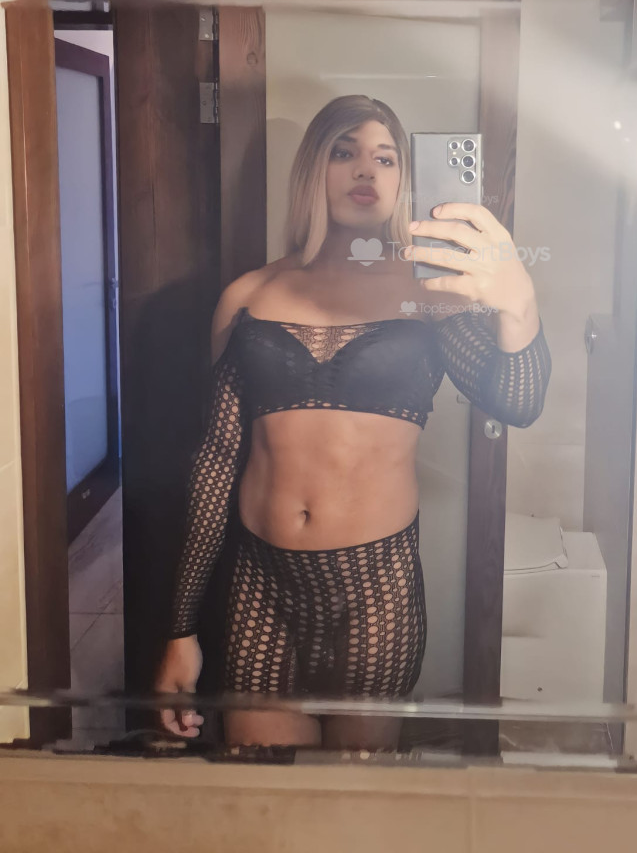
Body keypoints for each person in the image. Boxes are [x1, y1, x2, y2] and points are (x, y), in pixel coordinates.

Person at [154, 95, 551, 751]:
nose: (366, 169)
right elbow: (217, 461)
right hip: (260, 588)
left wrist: (519, 301)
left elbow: (519, 400)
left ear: (402, 180)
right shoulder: (249, 295)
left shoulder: (431, 294)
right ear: (315, 168)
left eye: (385, 158)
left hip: (375, 593)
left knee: (354, 796)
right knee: (267, 796)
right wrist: (180, 629)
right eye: (345, 152)